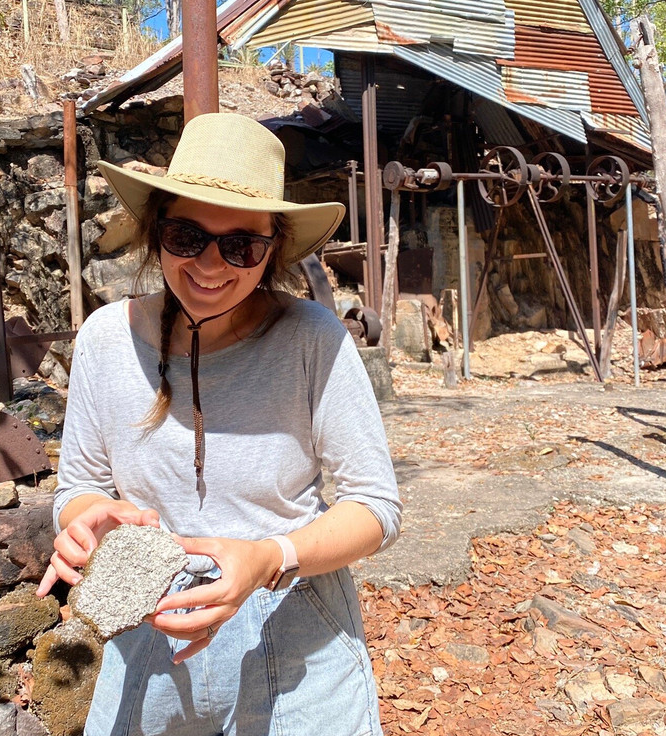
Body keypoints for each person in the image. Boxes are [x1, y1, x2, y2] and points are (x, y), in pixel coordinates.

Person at [36, 112, 402, 736]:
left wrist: (269, 557)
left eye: (241, 245)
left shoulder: (313, 340)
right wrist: (82, 522)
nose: (210, 264)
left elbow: (375, 508)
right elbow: (79, 490)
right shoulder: (104, 340)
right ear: (156, 233)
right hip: (148, 630)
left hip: (293, 630)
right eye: (187, 235)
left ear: (272, 249)